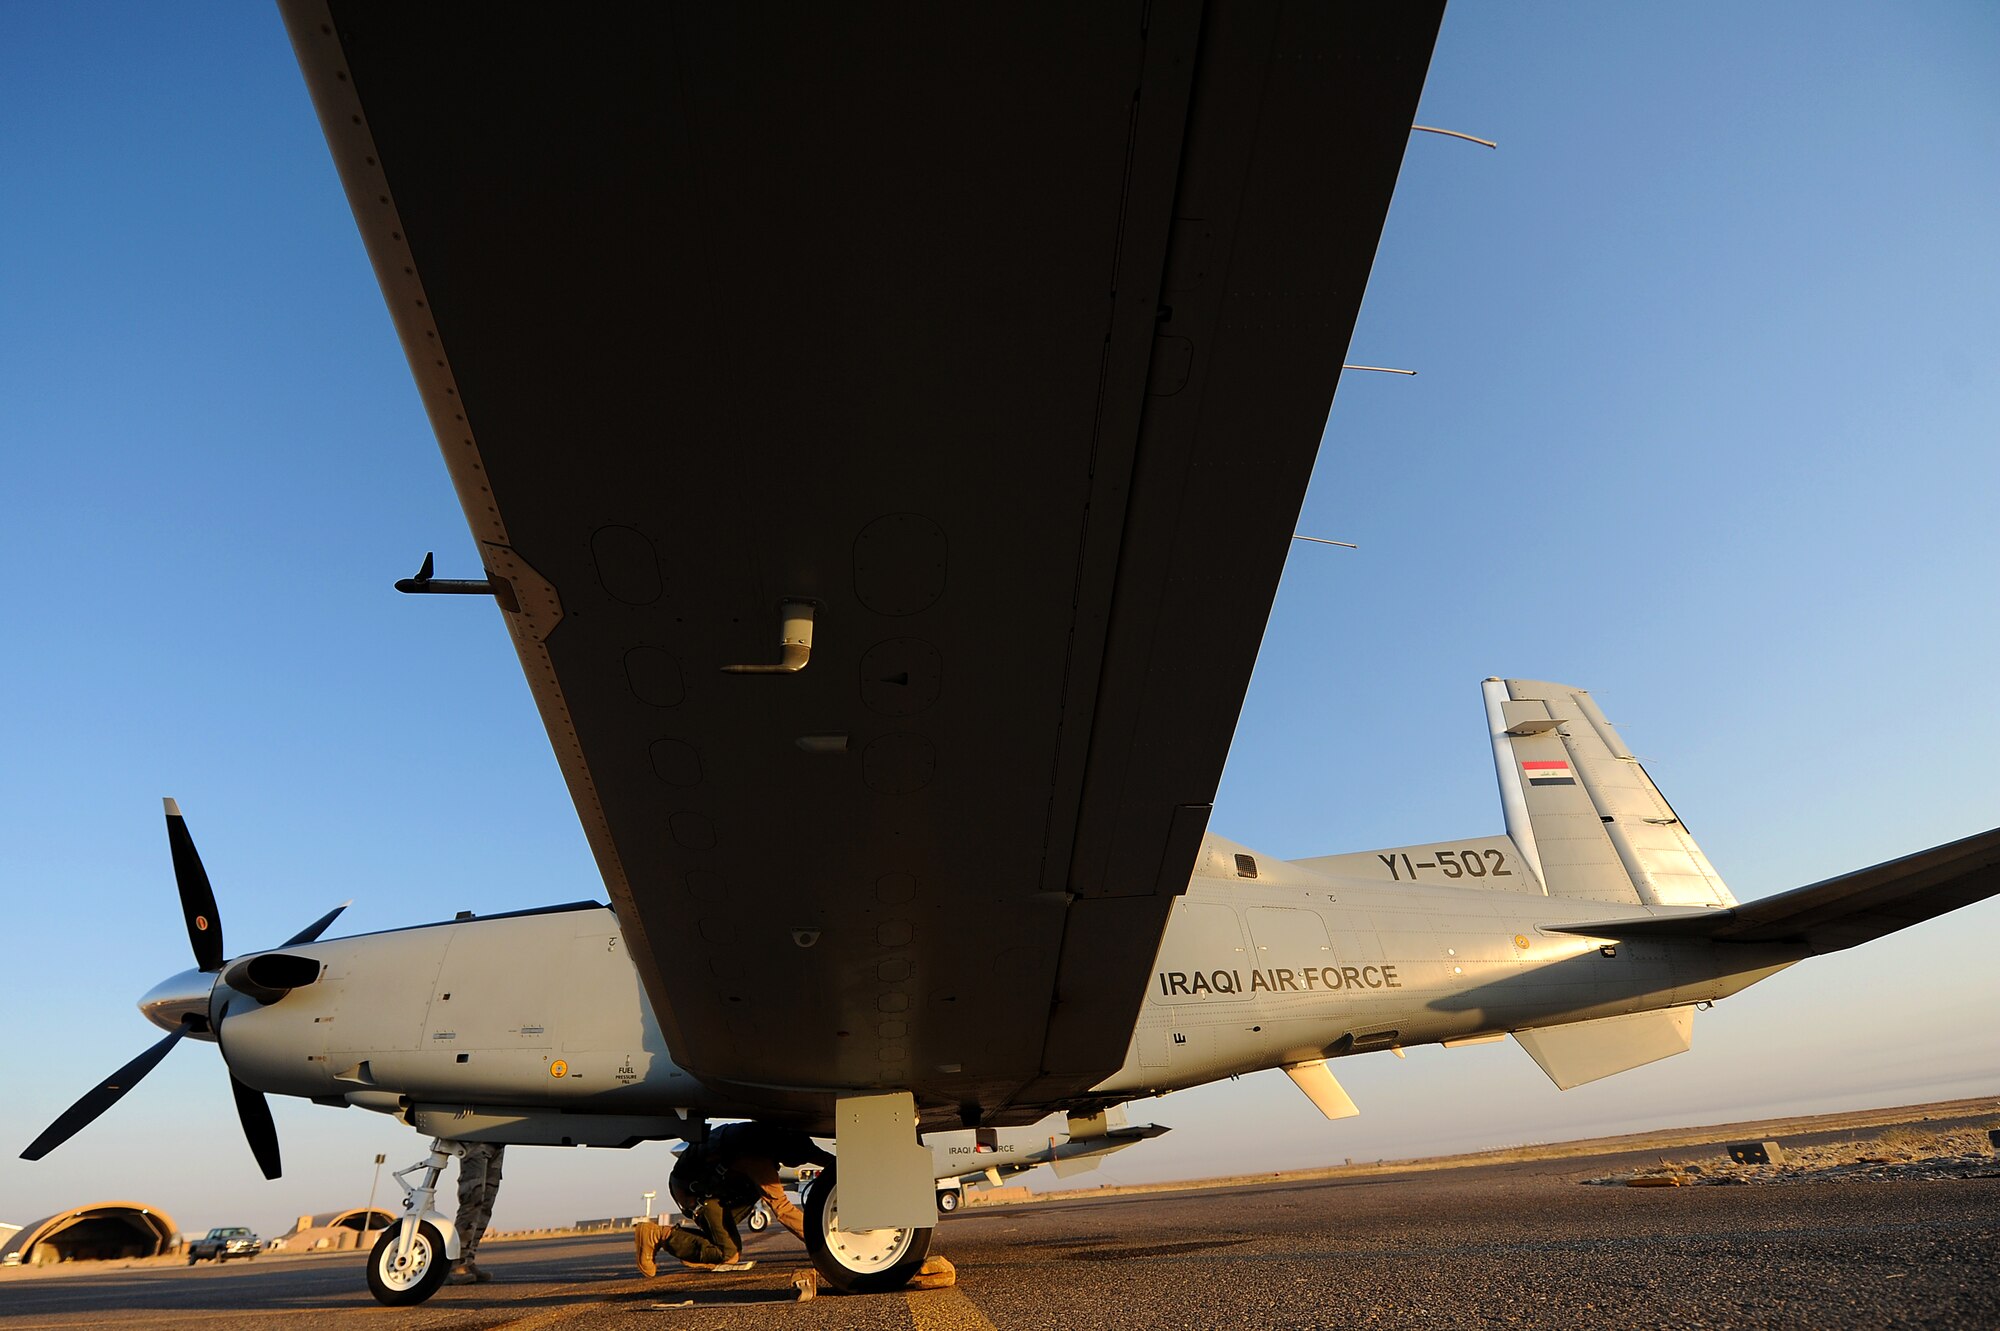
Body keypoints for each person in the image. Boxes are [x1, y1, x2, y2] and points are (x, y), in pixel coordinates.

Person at [633, 1123, 835, 1276]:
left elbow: (814, 1154)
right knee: (729, 1254)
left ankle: (698, 1248)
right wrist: (825, 1245)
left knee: (725, 1232)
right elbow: (782, 1210)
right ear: (785, 1152)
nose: (799, 1163)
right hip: (695, 1192)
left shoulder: (775, 1135)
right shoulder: (758, 1158)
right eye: (798, 1160)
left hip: (711, 1188)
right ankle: (658, 1235)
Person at [445, 1140, 505, 1285]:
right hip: (475, 1142)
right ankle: (455, 1263)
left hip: (497, 1141)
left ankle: (468, 1259)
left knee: (486, 1204)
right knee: (472, 1200)